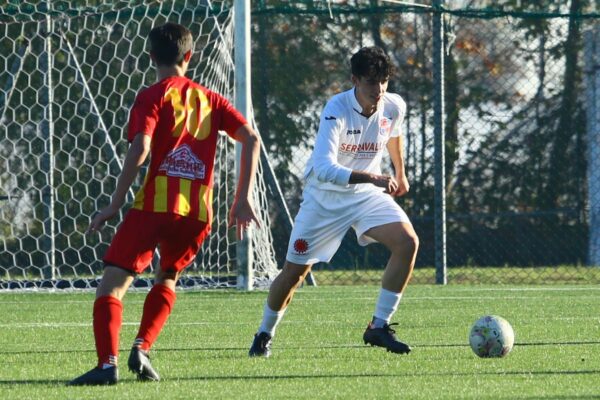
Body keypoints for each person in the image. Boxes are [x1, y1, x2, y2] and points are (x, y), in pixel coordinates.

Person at [69, 22, 260, 385]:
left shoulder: (152, 95)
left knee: (111, 286)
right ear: (189, 56)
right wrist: (242, 198)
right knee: (168, 276)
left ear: (151, 56)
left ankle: (107, 365)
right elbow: (250, 138)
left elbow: (140, 148)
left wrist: (114, 202)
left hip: (154, 207)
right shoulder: (212, 100)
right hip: (196, 213)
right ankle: (142, 348)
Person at [249, 46, 418, 357]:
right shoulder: (336, 108)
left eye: (383, 81)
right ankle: (264, 333)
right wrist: (375, 178)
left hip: (366, 196)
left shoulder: (393, 105)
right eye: (370, 82)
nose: (378, 90)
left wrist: (400, 172)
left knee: (407, 242)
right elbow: (325, 168)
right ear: (354, 79)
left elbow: (393, 134)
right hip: (324, 200)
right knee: (293, 274)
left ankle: (378, 326)